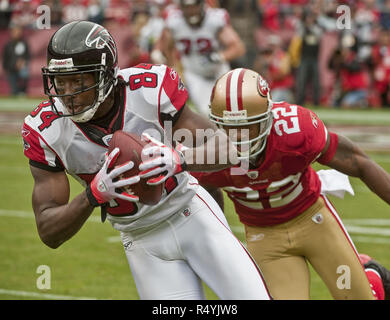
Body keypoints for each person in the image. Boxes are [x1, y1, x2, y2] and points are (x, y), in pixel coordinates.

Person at [21, 21, 271, 300]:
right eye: (60, 81)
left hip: (190, 216)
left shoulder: (148, 90)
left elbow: (227, 147)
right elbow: (48, 231)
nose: (68, 94)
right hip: (141, 243)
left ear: (104, 75)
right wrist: (91, 196)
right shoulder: (45, 130)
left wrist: (179, 158)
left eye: (78, 81)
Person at [191, 67, 390, 300]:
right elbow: (205, 200)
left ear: (267, 118)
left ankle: (370, 277)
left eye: (248, 126)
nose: (240, 137)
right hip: (265, 238)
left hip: (314, 221)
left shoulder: (295, 130)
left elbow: (359, 162)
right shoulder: (204, 156)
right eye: (232, 128)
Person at [151, 0, 245, 116]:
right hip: (194, 74)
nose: (191, 11)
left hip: (219, 71)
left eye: (194, 6)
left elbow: (238, 47)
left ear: (201, 5)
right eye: (187, 7)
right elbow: (164, 45)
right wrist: (161, 56)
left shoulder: (214, 20)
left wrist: (219, 56)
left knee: (232, 108)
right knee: (207, 112)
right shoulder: (174, 21)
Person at [2, 24, 30, 96]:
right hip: (11, 69)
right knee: (14, 90)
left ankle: (23, 92)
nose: (17, 33)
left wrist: (22, 62)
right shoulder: (8, 45)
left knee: (24, 74)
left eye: (19, 31)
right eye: (15, 31)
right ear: (12, 32)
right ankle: (16, 92)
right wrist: (5, 68)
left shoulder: (24, 43)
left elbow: (27, 55)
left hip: (22, 68)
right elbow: (5, 57)